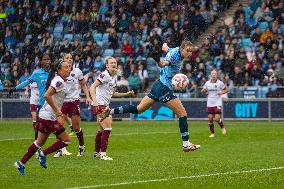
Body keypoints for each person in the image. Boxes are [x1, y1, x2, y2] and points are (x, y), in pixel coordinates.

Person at [100, 41, 200, 152]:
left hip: (157, 85)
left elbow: (165, 46)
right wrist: (157, 59)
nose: (190, 53)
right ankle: (186, 144)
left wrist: (162, 46)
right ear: (181, 49)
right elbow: (163, 63)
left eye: (191, 51)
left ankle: (110, 112)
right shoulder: (175, 58)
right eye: (188, 51)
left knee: (138, 109)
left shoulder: (174, 50)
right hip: (164, 88)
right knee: (183, 114)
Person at [14, 60, 72, 176]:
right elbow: (47, 95)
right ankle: (43, 154)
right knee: (66, 140)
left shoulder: (60, 80)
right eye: (65, 67)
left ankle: (21, 163)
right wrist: (57, 111)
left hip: (45, 116)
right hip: (48, 117)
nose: (68, 68)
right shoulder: (59, 81)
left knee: (38, 143)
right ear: (59, 70)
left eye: (69, 66)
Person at [90, 56, 134, 160]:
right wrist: (95, 102)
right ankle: (103, 155)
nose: (114, 64)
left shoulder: (113, 76)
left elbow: (113, 93)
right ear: (107, 65)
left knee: (101, 130)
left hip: (104, 105)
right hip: (99, 105)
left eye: (115, 62)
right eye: (111, 63)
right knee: (108, 127)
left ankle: (96, 153)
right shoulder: (104, 75)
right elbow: (92, 87)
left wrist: (127, 94)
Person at [54, 53, 92, 157]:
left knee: (76, 128)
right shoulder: (58, 73)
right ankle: (60, 149)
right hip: (62, 102)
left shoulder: (77, 71)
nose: (69, 59)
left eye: (71, 58)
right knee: (59, 126)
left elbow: (83, 84)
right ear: (63, 60)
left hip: (74, 102)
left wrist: (88, 97)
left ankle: (81, 147)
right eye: (67, 58)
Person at [14, 54, 51, 139]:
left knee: (56, 124)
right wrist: (16, 88)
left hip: (51, 102)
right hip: (38, 102)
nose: (47, 61)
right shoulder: (36, 74)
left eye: (48, 60)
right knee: (37, 123)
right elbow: (27, 82)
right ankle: (37, 145)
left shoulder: (53, 73)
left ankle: (61, 149)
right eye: (45, 60)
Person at [201, 70, 228, 138]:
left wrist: (221, 92)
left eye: (215, 74)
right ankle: (212, 133)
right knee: (210, 119)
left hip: (217, 102)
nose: (213, 75)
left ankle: (222, 127)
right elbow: (202, 91)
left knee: (217, 118)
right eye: (212, 74)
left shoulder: (220, 83)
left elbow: (226, 90)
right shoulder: (207, 83)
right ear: (210, 75)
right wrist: (203, 90)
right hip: (210, 102)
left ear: (216, 75)